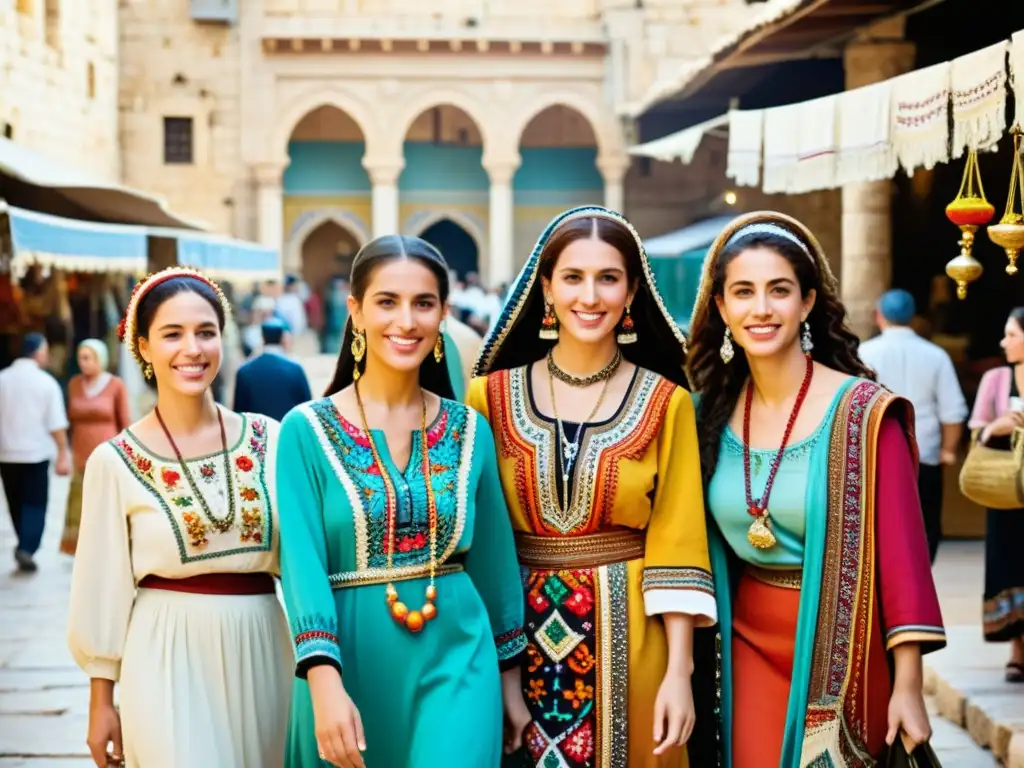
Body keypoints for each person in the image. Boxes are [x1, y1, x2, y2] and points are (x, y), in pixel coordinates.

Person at [686, 212, 945, 767]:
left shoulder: (866, 414)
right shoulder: (706, 415)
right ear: (722, 309)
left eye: (778, 290)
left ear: (806, 303)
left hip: (848, 653)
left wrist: (909, 686)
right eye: (743, 292)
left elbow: (904, 565)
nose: (761, 308)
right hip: (741, 650)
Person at [468, 205, 715, 767]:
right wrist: (504, 672)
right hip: (515, 647)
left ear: (631, 295)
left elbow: (677, 545)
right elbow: (482, 548)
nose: (591, 295)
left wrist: (680, 673)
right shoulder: (488, 398)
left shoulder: (666, 401)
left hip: (636, 642)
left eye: (609, 278)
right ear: (546, 290)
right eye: (573, 277)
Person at [276, 235, 528, 768]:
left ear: (443, 314)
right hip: (346, 662)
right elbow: (301, 565)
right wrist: (323, 679)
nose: (406, 320)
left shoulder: (469, 431)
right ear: (355, 312)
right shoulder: (305, 430)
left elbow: (495, 563)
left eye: (424, 303)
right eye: (387, 302)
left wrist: (511, 682)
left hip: (459, 656)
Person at [67, 267, 292, 768]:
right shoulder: (115, 460)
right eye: (173, 334)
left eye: (206, 332)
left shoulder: (269, 440)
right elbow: (100, 587)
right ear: (143, 346)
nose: (192, 348)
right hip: (164, 654)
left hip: (264, 650)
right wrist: (101, 701)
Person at [858, 289, 968, 563]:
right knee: (925, 524)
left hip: (876, 454)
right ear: (914, 318)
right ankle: (921, 579)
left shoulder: (863, 352)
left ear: (878, 316)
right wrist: (948, 450)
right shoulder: (936, 355)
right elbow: (952, 410)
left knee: (879, 525)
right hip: (925, 453)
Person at [967, 307, 1024, 682]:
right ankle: (1017, 648)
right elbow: (978, 430)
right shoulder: (996, 379)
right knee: (1009, 564)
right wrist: (996, 428)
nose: (1004, 342)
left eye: (1012, 335)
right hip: (1006, 491)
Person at [0, 332, 70, 571]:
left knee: (15, 502)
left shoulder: (2, 379)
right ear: (39, 352)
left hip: (6, 454)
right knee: (35, 503)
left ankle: (23, 544)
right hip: (36, 454)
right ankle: (27, 547)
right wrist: (63, 452)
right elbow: (56, 424)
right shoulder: (46, 383)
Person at [60, 339, 131, 556]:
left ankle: (109, 544)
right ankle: (81, 547)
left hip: (108, 449)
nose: (83, 363)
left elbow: (125, 420)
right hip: (81, 450)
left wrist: (127, 453)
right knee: (81, 497)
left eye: (87, 358)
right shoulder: (74, 384)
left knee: (107, 497)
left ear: (100, 359)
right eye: (80, 358)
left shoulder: (115, 384)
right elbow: (69, 421)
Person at [233, 317, 312, 422]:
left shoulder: (244, 371)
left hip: (256, 435)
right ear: (282, 338)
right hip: (287, 432)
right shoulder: (295, 369)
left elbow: (239, 413)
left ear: (262, 337)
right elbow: (307, 408)